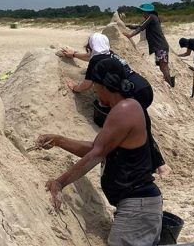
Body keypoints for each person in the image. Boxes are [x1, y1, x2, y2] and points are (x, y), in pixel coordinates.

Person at [38, 56, 194, 246]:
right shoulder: (126, 107)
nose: (95, 92)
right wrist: (60, 140)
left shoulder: (125, 110)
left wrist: (59, 182)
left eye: (95, 86)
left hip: (138, 205)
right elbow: (99, 148)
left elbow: (96, 154)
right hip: (140, 204)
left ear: (105, 84)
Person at [60, 32, 169, 174]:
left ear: (92, 46)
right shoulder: (110, 54)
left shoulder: (96, 60)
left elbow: (86, 85)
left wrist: (75, 87)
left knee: (143, 128)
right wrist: (74, 54)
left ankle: (160, 165)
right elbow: (92, 57)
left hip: (134, 91)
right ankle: (158, 164)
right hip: (143, 86)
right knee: (143, 124)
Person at [124, 4, 174, 87]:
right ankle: (168, 83)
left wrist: (130, 35)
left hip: (160, 46)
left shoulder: (151, 17)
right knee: (162, 66)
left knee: (163, 66)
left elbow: (141, 28)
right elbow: (140, 26)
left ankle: (170, 84)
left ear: (146, 12)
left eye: (143, 12)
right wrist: (127, 25)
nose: (142, 14)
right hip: (160, 46)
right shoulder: (153, 18)